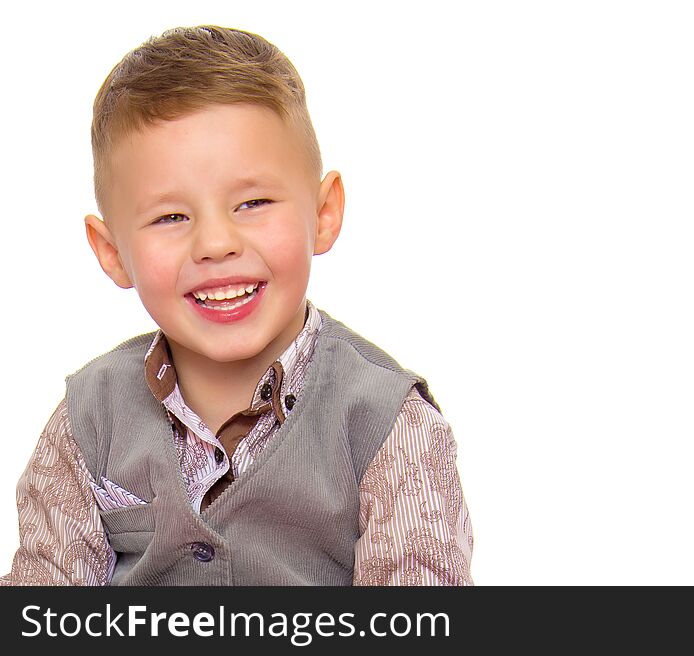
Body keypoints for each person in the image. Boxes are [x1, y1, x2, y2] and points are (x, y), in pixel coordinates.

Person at [0, 25, 472, 586]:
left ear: (322, 215)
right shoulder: (88, 420)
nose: (216, 244)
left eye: (252, 203)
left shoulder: (389, 424)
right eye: (171, 217)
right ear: (113, 253)